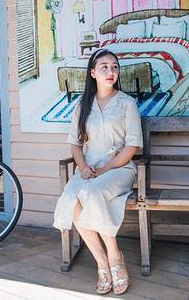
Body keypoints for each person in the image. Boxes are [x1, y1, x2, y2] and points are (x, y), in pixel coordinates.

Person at [53, 48, 142, 295]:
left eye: (114, 67)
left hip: (119, 168)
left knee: (92, 194)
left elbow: (132, 146)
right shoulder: (83, 105)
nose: (110, 71)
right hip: (89, 169)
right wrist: (82, 167)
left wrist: (105, 168)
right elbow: (75, 143)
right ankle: (101, 262)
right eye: (104, 67)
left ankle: (115, 256)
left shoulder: (127, 103)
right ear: (92, 73)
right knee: (71, 198)